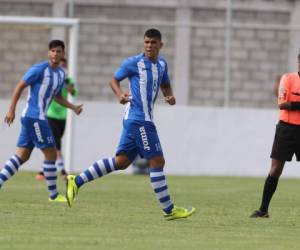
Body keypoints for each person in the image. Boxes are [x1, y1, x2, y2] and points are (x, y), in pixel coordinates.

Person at [66, 28, 195, 220]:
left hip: (140, 119)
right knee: (157, 161)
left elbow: (165, 84)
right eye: (146, 42)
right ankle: (169, 209)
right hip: (138, 119)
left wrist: (169, 95)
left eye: (153, 42)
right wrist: (119, 95)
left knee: (122, 162)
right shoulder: (133, 63)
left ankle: (76, 180)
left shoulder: (161, 65)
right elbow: (113, 80)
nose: (149, 46)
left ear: (161, 45)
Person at [1, 40, 83, 202]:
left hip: (36, 118)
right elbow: (19, 86)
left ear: (63, 54)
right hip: (34, 117)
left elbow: (57, 96)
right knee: (51, 153)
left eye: (58, 51)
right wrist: (11, 109)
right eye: (52, 51)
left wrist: (73, 107)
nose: (55, 54)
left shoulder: (61, 74)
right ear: (48, 53)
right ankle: (53, 196)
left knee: (22, 155)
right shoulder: (39, 70)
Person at [250, 53, 300, 218]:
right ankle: (263, 210)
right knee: (276, 169)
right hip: (285, 129)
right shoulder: (288, 78)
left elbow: (289, 103)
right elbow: (282, 104)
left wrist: (294, 104)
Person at [35, 58, 78, 181]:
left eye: (65, 65)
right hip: (51, 115)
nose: (62, 67)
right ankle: (63, 171)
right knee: (56, 144)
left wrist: (71, 88)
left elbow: (74, 93)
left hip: (62, 117)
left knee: (53, 144)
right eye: (61, 65)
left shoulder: (68, 80)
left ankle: (43, 170)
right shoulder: (54, 78)